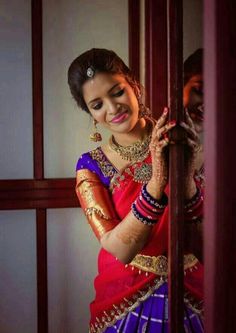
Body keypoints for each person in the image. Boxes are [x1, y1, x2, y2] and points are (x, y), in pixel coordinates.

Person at [68, 48, 204, 333]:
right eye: (97, 104)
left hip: (193, 286)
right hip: (125, 295)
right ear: (91, 114)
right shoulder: (91, 166)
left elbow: (213, 237)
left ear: (135, 86)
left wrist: (187, 177)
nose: (112, 108)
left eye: (117, 92)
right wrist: (156, 182)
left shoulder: (180, 139)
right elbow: (119, 248)